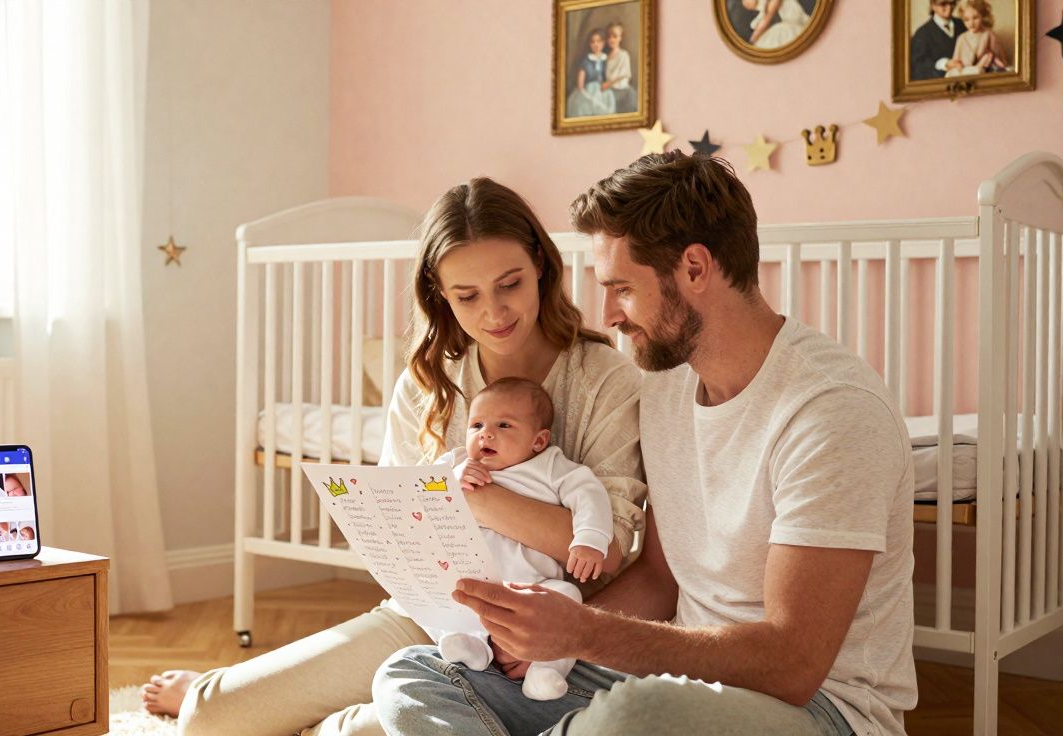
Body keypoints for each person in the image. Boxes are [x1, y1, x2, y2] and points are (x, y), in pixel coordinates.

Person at [373, 152, 917, 736]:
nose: (607, 314)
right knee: (412, 676)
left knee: (635, 717)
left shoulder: (830, 413)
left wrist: (582, 633)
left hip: (816, 710)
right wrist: (543, 643)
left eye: (621, 289)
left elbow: (792, 665)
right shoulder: (665, 388)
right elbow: (659, 579)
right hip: (676, 675)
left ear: (695, 267)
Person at [139, 177, 647, 735]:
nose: (495, 312)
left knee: (368, 730)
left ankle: (339, 722)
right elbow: (407, 534)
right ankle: (210, 689)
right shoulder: (427, 385)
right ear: (440, 294)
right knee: (209, 720)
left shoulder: (604, 379)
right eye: (467, 296)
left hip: (549, 630)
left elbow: (611, 548)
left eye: (510, 284)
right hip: (433, 618)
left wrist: (464, 497)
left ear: (541, 269)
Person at [432, 378, 613, 701]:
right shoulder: (458, 463)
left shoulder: (550, 466)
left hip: (537, 588)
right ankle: (471, 645)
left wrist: (590, 538)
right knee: (455, 593)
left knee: (569, 596)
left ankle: (548, 670)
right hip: (478, 580)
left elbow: (589, 494)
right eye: (476, 425)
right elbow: (423, 489)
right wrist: (453, 481)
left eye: (504, 425)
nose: (486, 434)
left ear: (538, 441)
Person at [946, 0, 1007, 76]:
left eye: (975, 18)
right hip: (964, 72)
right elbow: (956, 60)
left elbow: (1001, 61)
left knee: (978, 71)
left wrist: (989, 58)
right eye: (967, 20)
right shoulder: (961, 38)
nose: (971, 23)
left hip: (982, 72)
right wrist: (957, 65)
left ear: (983, 16)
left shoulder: (989, 34)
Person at [911, 0, 966, 80]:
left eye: (952, 3)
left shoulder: (963, 25)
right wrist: (945, 64)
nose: (949, 7)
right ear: (933, 5)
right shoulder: (922, 33)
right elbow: (918, 66)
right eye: (943, 4)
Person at [565, 29, 615, 118]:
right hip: (588, 91)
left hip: (604, 90)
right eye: (593, 42)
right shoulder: (586, 61)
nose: (596, 44)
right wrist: (588, 97)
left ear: (603, 43)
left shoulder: (606, 59)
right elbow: (580, 85)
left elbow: (610, 77)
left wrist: (607, 84)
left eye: (599, 41)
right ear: (590, 44)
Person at [745, 0, 810, 48]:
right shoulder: (764, 3)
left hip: (795, 22)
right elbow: (750, 4)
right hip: (786, 22)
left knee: (777, 34)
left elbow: (767, 19)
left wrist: (752, 40)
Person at [602, 22, 636, 114]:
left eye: (615, 37)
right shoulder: (606, 57)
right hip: (609, 88)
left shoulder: (623, 55)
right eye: (609, 37)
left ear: (620, 38)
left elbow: (623, 74)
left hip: (620, 88)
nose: (611, 40)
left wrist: (608, 83)